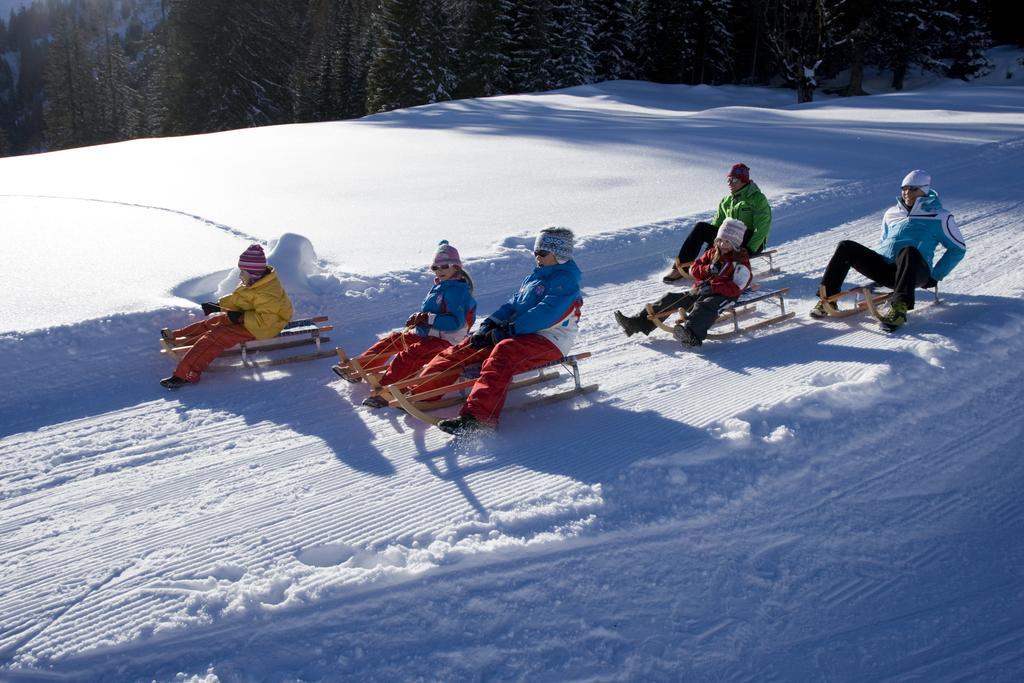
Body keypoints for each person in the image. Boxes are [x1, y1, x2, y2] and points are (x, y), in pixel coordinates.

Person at [408, 227, 583, 436]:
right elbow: (513, 304)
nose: (536, 257)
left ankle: (480, 418)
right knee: (470, 345)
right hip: (520, 333)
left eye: (542, 253)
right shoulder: (535, 277)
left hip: (550, 339)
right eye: (535, 252)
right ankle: (422, 391)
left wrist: (509, 330)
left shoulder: (566, 282)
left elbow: (546, 314)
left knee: (504, 351)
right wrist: (491, 324)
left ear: (560, 254)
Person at [810, 169, 966, 330]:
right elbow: (885, 240)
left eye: (913, 189)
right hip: (886, 270)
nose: (907, 192)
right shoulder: (892, 213)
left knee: (908, 251)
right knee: (846, 246)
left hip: (916, 272)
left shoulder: (940, 216)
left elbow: (957, 249)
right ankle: (828, 300)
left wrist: (936, 275)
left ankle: (899, 309)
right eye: (904, 188)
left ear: (925, 190)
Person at [333, 241, 477, 408]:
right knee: (395, 339)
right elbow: (431, 314)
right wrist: (419, 319)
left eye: (444, 266)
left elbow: (454, 322)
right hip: (429, 334)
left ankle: (387, 390)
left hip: (448, 340)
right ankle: (363, 367)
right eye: (435, 267)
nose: (440, 271)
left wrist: (426, 318)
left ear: (456, 268)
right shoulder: (441, 287)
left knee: (411, 354)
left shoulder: (457, 291)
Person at [160, 244, 294, 388]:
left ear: (253, 273)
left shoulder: (268, 294)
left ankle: (186, 375)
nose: (240, 275)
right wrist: (217, 305)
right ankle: (178, 337)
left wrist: (241, 317)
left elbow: (266, 321)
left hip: (265, 327)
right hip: (253, 320)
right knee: (214, 322)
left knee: (217, 336)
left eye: (243, 272)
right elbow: (239, 299)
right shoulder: (254, 283)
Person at [615, 218, 753, 347]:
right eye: (720, 240)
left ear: (735, 244)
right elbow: (693, 269)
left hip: (723, 297)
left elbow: (737, 287)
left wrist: (713, 288)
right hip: (700, 289)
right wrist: (707, 269)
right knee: (671, 298)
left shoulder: (740, 261)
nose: (722, 244)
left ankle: (692, 334)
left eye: (727, 242)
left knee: (704, 306)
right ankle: (637, 323)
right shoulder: (712, 253)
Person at [662, 163, 771, 284]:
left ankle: (712, 267)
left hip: (750, 241)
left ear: (744, 180)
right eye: (728, 180)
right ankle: (681, 267)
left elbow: (762, 227)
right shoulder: (726, 201)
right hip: (728, 239)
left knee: (732, 229)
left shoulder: (757, 199)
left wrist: (749, 250)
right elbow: (716, 227)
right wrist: (710, 254)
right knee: (702, 228)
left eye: (734, 179)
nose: (730, 183)